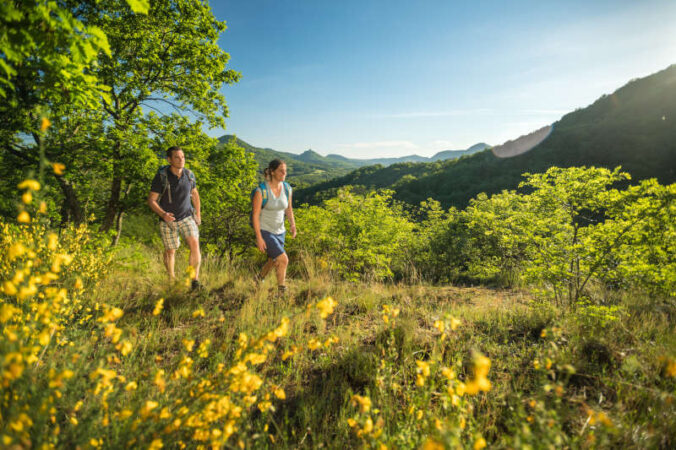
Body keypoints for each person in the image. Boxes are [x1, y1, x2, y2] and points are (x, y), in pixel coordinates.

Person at [147, 146, 202, 289]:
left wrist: (198, 214)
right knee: (170, 251)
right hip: (168, 220)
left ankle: (193, 281)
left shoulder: (189, 175)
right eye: (177, 157)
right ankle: (171, 280)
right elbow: (152, 200)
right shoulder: (161, 177)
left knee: (194, 244)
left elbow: (195, 195)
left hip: (186, 217)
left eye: (183, 157)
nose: (181, 160)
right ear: (169, 159)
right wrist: (163, 214)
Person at [252, 159, 296, 294]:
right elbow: (255, 215)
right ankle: (281, 291)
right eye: (281, 171)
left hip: (280, 231)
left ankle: (258, 278)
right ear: (272, 172)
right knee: (283, 260)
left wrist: (293, 224)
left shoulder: (287, 188)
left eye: (285, 170)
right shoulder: (261, 191)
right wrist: (259, 237)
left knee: (272, 260)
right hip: (265, 231)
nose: (284, 173)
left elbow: (288, 208)